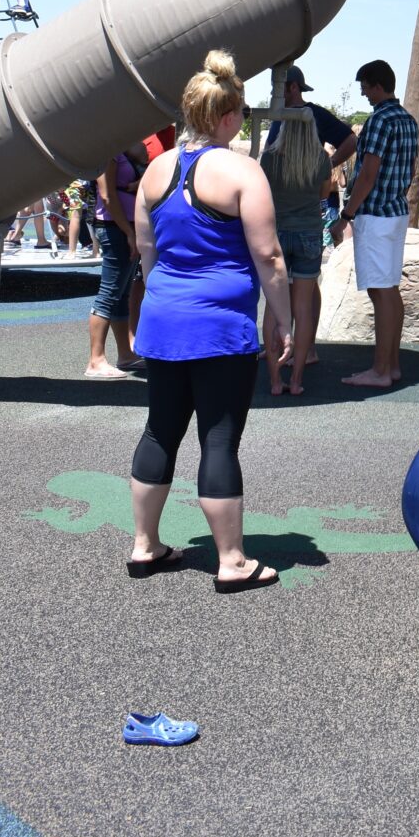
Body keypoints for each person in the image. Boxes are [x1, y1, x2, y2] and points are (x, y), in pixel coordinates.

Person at [128, 49, 293, 590]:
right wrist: (283, 321)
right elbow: (269, 257)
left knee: (160, 429)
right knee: (218, 440)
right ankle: (231, 561)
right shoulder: (242, 170)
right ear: (226, 116)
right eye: (241, 114)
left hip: (163, 319)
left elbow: (147, 254)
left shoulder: (155, 171)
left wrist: (167, 302)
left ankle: (145, 546)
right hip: (220, 324)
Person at [331, 59, 417, 390]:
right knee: (389, 290)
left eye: (365, 87)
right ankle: (390, 366)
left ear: (377, 85)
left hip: (376, 215)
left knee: (380, 293)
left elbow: (368, 173)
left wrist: (346, 216)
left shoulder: (380, 119)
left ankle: (381, 370)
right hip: (396, 211)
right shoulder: (407, 120)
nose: (364, 94)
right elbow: (406, 170)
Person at [260, 105, 333, 396]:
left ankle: (275, 381)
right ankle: (297, 380)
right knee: (302, 310)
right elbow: (323, 195)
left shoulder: (269, 159)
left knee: (273, 308)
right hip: (309, 234)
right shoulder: (320, 159)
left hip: (276, 234)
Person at [85, 147, 147, 378]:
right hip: (113, 228)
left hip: (123, 227)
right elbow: (107, 195)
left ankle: (125, 354)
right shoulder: (108, 153)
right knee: (110, 292)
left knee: (122, 293)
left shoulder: (121, 151)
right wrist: (128, 232)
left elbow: (142, 155)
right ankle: (95, 360)